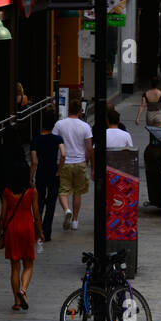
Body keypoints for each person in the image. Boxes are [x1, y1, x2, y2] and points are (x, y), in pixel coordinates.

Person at [0, 163, 44, 310]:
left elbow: (3, 215)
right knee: (29, 264)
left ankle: (17, 302)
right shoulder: (32, 191)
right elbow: (36, 215)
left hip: (12, 229)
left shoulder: (7, 191)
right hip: (27, 228)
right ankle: (23, 291)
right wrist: (41, 232)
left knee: (14, 267)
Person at [57, 99, 93, 232]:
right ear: (80, 111)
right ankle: (75, 221)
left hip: (64, 162)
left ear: (68, 110)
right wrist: (89, 163)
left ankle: (67, 209)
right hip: (79, 162)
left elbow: (55, 142)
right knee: (78, 192)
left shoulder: (59, 124)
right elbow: (89, 147)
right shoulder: (85, 126)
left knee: (62, 191)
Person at [29, 109, 64, 243]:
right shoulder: (57, 139)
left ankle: (37, 230)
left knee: (39, 202)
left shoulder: (35, 140)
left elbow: (34, 161)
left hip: (41, 173)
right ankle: (47, 232)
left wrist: (30, 177)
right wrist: (59, 170)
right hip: (54, 172)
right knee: (51, 203)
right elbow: (64, 154)